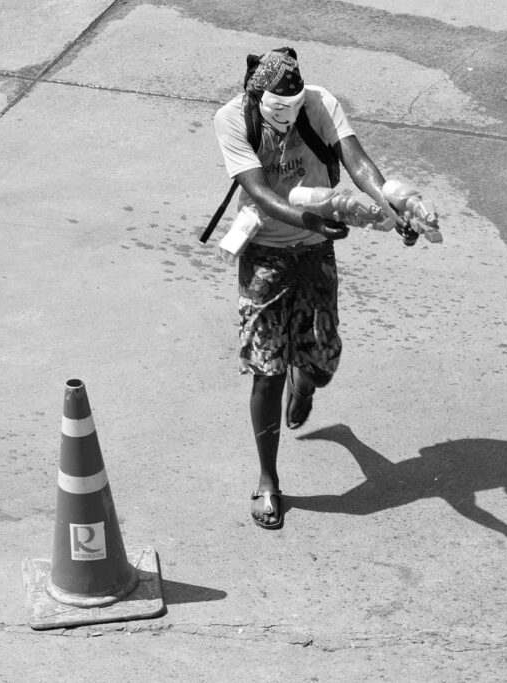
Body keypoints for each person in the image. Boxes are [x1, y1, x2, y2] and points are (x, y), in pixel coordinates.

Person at [212, 47, 405, 530]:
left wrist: (393, 205)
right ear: (257, 96)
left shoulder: (319, 103)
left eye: (295, 104)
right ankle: (268, 480)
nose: (289, 114)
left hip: (316, 249)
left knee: (323, 360)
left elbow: (358, 163)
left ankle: (307, 383)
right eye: (279, 107)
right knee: (266, 368)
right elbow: (258, 191)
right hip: (264, 254)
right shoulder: (233, 118)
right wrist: (309, 217)